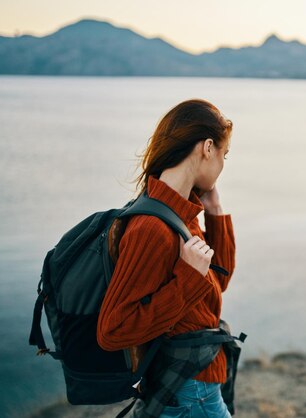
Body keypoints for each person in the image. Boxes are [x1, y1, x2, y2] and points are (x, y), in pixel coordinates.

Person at [96, 98, 235, 418]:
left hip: (194, 385)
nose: (224, 163)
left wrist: (215, 213)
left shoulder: (181, 212)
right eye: (224, 154)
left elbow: (218, 281)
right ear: (207, 148)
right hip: (189, 391)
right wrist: (187, 278)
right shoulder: (152, 228)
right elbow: (112, 331)